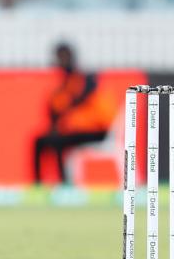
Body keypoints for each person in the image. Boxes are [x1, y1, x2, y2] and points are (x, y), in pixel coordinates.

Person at [33, 43, 117, 185]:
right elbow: (57, 108)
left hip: (98, 130)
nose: (60, 62)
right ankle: (38, 184)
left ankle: (64, 184)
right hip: (80, 130)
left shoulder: (86, 79)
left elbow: (76, 101)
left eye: (63, 58)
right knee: (41, 141)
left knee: (59, 140)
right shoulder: (66, 82)